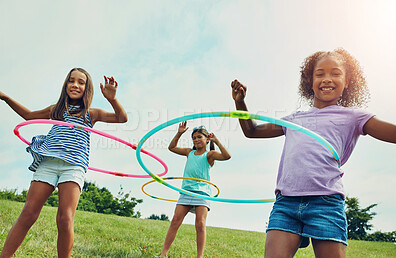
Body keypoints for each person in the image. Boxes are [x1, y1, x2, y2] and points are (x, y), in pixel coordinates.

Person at [231, 48, 396, 258]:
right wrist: (240, 102)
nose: (327, 79)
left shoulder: (353, 117)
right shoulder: (293, 120)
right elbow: (252, 131)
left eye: (335, 73)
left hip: (326, 202)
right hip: (287, 203)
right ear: (310, 81)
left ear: (347, 81)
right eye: (319, 74)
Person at [0, 68, 128, 258]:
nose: (75, 85)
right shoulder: (57, 110)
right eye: (71, 81)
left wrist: (112, 99)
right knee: (28, 212)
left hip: (73, 166)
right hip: (49, 162)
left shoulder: (91, 114)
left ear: (87, 88)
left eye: (81, 82)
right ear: (66, 85)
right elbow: (28, 116)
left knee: (65, 218)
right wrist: (4, 97)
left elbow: (122, 118)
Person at [159, 122, 231, 258]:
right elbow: (171, 147)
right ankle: (163, 254)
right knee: (175, 221)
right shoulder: (189, 152)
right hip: (186, 191)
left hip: (202, 193)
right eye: (194, 138)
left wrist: (217, 141)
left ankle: (199, 256)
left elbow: (227, 156)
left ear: (207, 139)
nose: (196, 140)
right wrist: (180, 133)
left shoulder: (210, 155)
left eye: (199, 137)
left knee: (200, 224)